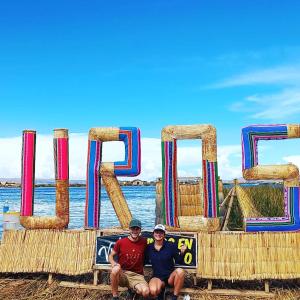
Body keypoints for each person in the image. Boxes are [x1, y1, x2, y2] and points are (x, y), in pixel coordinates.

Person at [108, 219, 149, 300]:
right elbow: (111, 256)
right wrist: (113, 263)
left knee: (145, 292)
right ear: (129, 229)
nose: (135, 231)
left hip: (137, 275)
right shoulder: (121, 242)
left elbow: (157, 246)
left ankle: (133, 290)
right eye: (133, 228)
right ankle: (115, 296)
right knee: (115, 270)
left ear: (140, 230)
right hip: (123, 273)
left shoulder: (144, 242)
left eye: (137, 229)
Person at [146, 224, 186, 300]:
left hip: (170, 278)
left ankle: (174, 297)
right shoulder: (149, 247)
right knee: (153, 290)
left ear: (164, 235)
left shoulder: (171, 246)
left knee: (180, 271)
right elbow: (143, 260)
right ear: (153, 234)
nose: (158, 234)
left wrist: (182, 252)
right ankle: (161, 293)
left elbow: (178, 261)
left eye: (161, 232)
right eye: (156, 232)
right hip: (157, 277)